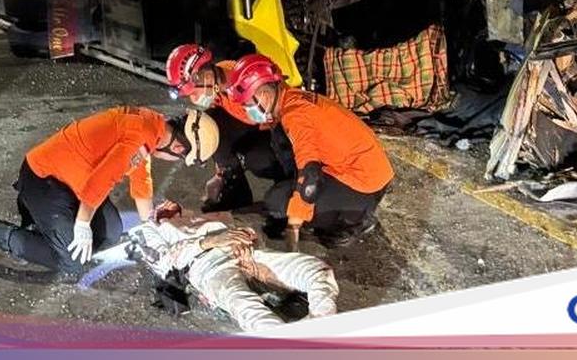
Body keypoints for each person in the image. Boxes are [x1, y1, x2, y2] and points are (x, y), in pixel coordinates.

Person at [0, 107, 219, 274]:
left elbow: (141, 185)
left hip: (72, 183)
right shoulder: (139, 137)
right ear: (178, 148)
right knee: (73, 262)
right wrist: (81, 225)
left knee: (111, 231)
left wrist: (152, 227)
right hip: (44, 178)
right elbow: (101, 181)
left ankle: (46, 230)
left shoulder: (151, 128)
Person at [225, 54, 394, 250]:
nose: (247, 109)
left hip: (365, 182)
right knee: (269, 153)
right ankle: (323, 205)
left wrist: (293, 226)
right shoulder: (289, 100)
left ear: (263, 94)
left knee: (278, 202)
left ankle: (355, 219)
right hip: (358, 165)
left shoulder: (295, 115)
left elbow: (310, 176)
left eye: (247, 104)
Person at [126, 200, 338, 331]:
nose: (166, 205)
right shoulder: (151, 229)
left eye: (172, 206)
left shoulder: (206, 216)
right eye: (161, 207)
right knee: (244, 305)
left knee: (317, 270)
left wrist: (254, 252)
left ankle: (321, 323)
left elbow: (248, 228)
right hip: (207, 267)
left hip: (246, 254)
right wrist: (210, 241)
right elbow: (163, 261)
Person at [166, 44, 288, 212]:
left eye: (194, 92)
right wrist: (220, 174)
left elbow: (285, 119)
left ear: (207, 76)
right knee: (209, 125)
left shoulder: (251, 79)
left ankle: (288, 187)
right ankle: (235, 192)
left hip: (278, 129)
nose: (194, 99)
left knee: (258, 159)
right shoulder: (220, 88)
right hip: (253, 124)